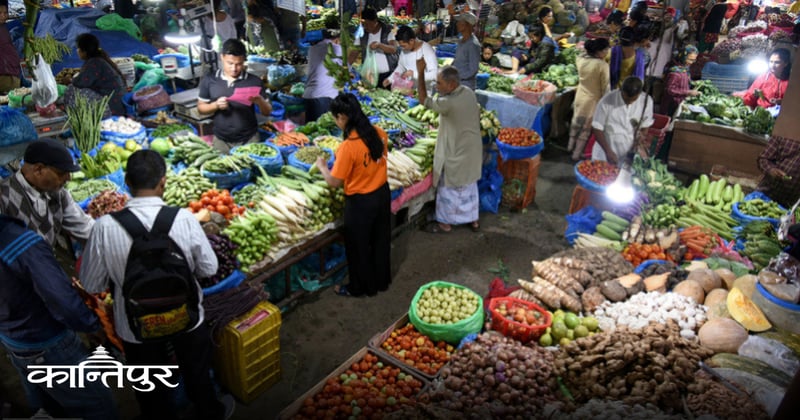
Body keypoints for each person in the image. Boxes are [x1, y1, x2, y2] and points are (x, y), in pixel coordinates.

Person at [79, 150, 234, 420]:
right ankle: (210, 413)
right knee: (197, 373)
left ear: (126, 182)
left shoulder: (103, 227)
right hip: (186, 317)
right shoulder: (185, 218)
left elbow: (92, 283)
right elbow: (209, 268)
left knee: (150, 388)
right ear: (163, 182)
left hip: (135, 325)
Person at [0, 215, 118, 420]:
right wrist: (93, 326)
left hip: (14, 340)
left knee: (47, 404)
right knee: (96, 407)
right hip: (48, 343)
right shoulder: (20, 243)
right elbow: (63, 302)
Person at [314, 93, 391, 298]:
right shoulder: (378, 133)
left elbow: (335, 182)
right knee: (380, 242)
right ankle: (381, 281)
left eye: (335, 118)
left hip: (361, 203)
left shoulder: (348, 147)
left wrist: (322, 167)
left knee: (358, 248)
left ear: (341, 117)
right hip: (382, 195)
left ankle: (359, 288)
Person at [415, 62, 482, 233]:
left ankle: (445, 222)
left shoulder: (447, 103)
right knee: (469, 186)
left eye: (439, 83)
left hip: (457, 152)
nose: (436, 86)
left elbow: (423, 99)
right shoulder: (468, 92)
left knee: (450, 187)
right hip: (472, 149)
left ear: (451, 85)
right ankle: (473, 220)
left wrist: (420, 73)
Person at [0, 140, 94, 248]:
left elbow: (84, 227)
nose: (68, 178)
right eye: (61, 173)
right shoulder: (4, 198)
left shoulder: (59, 194)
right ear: (38, 170)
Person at [197, 39, 272, 153]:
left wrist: (260, 101)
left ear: (244, 60)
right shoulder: (210, 80)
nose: (234, 68)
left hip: (249, 139)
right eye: (230, 63)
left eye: (239, 64)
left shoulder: (254, 81)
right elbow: (201, 108)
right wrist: (215, 105)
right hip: (221, 141)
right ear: (222, 57)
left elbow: (267, 112)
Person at [591, 76, 654, 164]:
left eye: (633, 99)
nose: (629, 102)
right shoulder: (607, 100)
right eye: (626, 98)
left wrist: (639, 143)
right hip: (605, 150)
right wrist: (608, 151)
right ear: (621, 90)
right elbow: (597, 128)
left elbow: (645, 126)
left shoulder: (646, 101)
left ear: (639, 94)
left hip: (627, 151)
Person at [569, 38, 611, 161]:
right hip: (592, 99)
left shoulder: (580, 59)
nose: (608, 52)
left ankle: (570, 146)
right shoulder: (602, 65)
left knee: (576, 121)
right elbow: (606, 87)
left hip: (580, 95)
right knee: (586, 128)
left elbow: (582, 53)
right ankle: (576, 154)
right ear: (600, 51)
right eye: (606, 50)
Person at [65, 33, 127, 116]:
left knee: (72, 89)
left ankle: (77, 115)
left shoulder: (94, 63)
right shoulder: (99, 60)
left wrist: (70, 80)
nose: (77, 51)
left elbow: (81, 83)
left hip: (112, 106)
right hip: (118, 103)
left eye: (78, 48)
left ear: (84, 51)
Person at [349, 7, 399, 89]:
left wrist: (380, 45)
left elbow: (393, 49)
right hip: (369, 76)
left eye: (367, 24)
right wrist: (346, 67)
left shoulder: (388, 31)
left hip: (388, 75)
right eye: (363, 24)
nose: (365, 27)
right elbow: (354, 53)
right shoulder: (362, 34)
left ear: (375, 21)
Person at [304, 24, 341, 122]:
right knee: (323, 130)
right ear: (337, 39)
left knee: (311, 129)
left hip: (310, 95)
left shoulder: (312, 49)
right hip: (324, 96)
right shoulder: (336, 49)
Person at [385, 25, 437, 92]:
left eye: (404, 46)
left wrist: (414, 74)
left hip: (425, 90)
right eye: (401, 46)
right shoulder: (404, 50)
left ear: (412, 41)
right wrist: (390, 79)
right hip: (409, 89)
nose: (402, 48)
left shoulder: (426, 50)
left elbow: (434, 74)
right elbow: (401, 67)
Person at [757, 135, 800, 208]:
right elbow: (763, 158)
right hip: (768, 191)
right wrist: (771, 170)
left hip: (794, 203)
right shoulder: (784, 133)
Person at [661, 45, 700, 117]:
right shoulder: (675, 72)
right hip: (671, 105)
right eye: (690, 59)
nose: (692, 62)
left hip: (679, 103)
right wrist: (688, 92)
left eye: (694, 60)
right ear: (683, 57)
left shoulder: (684, 68)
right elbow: (670, 90)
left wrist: (693, 83)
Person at [452, 12, 481, 89]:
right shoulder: (461, 40)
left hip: (465, 86)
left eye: (459, 22)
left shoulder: (473, 44)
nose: (457, 24)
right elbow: (457, 60)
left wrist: (459, 77)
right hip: (456, 83)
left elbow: (473, 69)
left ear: (467, 25)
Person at [0, 0, 21, 94]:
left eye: (5, 13)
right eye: (0, 13)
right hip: (5, 74)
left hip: (12, 72)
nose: (3, 16)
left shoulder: (3, 28)